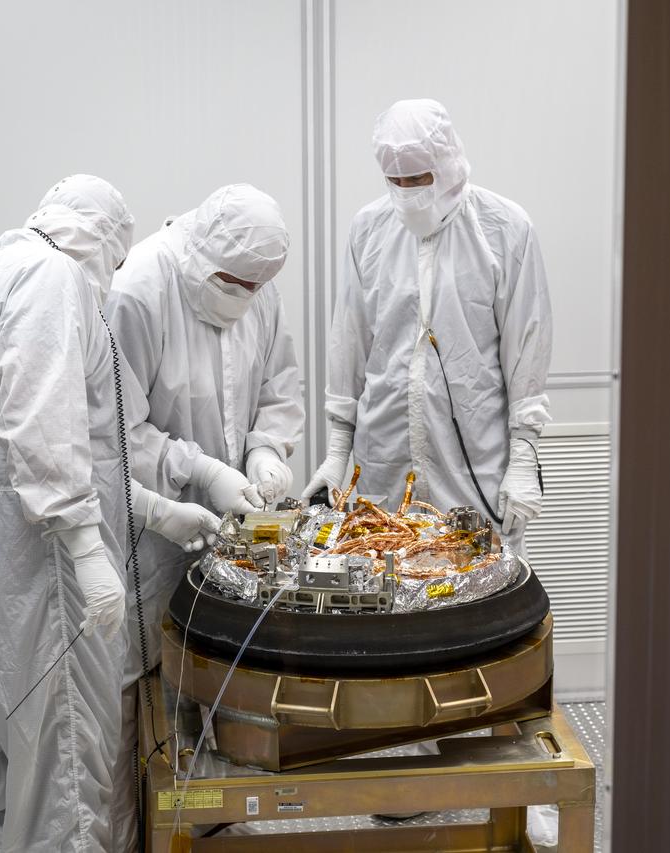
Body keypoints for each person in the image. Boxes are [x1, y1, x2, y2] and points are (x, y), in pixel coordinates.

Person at [0, 175, 221, 852]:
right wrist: (88, 553)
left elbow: (55, 447)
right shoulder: (53, 280)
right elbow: (44, 430)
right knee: (63, 784)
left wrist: (153, 510)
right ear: (104, 243)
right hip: (46, 579)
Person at [102, 183, 302, 848]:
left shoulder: (257, 287)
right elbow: (119, 435)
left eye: (255, 285)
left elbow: (279, 388)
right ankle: (144, 835)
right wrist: (202, 472)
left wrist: (267, 451)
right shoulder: (141, 292)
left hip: (230, 537)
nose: (244, 297)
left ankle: (217, 826)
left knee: (222, 678)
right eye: (234, 283)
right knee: (148, 699)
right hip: (149, 532)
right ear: (201, 254)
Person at [304, 98, 553, 556]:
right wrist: (337, 450)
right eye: (395, 182)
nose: (407, 193)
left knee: (478, 595)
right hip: (384, 459)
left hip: (474, 463)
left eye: (418, 179)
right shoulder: (369, 229)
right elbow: (350, 341)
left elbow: (527, 346)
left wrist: (524, 455)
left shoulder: (505, 229)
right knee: (388, 588)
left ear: (449, 164)